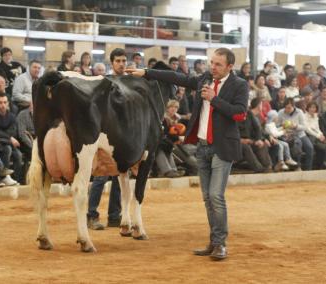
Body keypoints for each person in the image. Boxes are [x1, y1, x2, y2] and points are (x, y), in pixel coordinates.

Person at [126, 47, 249, 260]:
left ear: (230, 66)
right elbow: (177, 77)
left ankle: (220, 244)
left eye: (218, 64)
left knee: (215, 196)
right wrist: (146, 72)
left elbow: (239, 114)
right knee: (207, 198)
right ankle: (214, 242)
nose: (213, 67)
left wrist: (214, 98)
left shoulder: (239, 85)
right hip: (202, 147)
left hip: (223, 147)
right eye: (212, 62)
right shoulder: (205, 79)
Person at [87, 48, 125, 230]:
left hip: (121, 136)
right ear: (112, 63)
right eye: (118, 61)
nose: (122, 64)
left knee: (119, 176)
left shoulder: (128, 82)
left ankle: (114, 216)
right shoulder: (105, 82)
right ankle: (91, 215)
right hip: (103, 135)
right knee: (100, 177)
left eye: (124, 60)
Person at [0, 93, 23, 185]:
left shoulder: (12, 116)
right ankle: (5, 177)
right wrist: (10, 138)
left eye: (4, 102)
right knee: (7, 149)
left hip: (5, 142)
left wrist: (3, 138)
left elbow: (13, 132)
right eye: (0, 102)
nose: (2, 105)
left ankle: (17, 180)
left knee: (18, 155)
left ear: (8, 103)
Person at [277, 98, 314, 171]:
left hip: (300, 134)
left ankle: (308, 169)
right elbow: (277, 125)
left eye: (289, 108)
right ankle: (297, 167)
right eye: (286, 108)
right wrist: (283, 126)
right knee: (298, 145)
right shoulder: (280, 112)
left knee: (310, 147)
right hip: (288, 135)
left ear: (293, 106)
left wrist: (295, 126)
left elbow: (304, 126)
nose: (287, 110)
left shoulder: (299, 112)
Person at [155, 100, 186, 177]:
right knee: (160, 147)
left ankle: (173, 170)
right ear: (167, 108)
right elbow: (163, 132)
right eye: (171, 107)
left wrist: (177, 138)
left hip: (168, 141)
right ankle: (167, 170)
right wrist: (177, 137)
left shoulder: (176, 119)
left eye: (176, 107)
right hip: (157, 141)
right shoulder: (162, 117)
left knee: (169, 146)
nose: (173, 109)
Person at [304, 102, 326, 169]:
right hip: (309, 136)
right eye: (311, 107)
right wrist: (318, 136)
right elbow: (308, 129)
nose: (312, 109)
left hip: (317, 136)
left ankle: (321, 165)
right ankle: (318, 165)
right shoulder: (305, 116)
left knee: (323, 147)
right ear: (308, 108)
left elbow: (317, 128)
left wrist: (321, 135)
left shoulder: (316, 116)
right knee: (322, 147)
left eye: (314, 107)